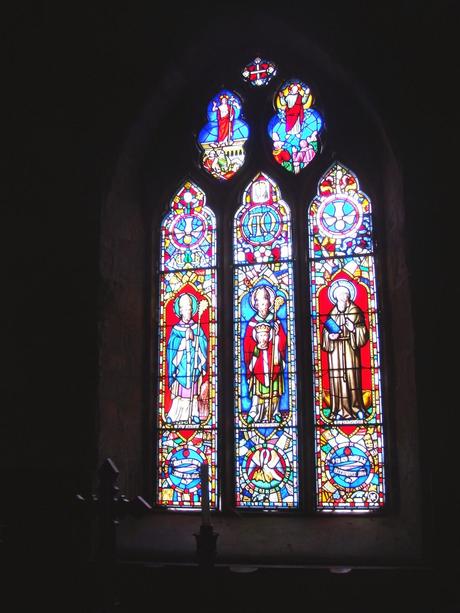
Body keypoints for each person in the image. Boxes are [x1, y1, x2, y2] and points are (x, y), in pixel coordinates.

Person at [321, 280, 368, 420]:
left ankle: (356, 407)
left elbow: (363, 332)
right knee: (337, 380)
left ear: (349, 297)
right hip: (335, 351)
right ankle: (338, 410)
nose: (342, 299)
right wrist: (330, 336)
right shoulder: (332, 313)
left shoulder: (356, 311)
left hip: (349, 349)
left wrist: (354, 329)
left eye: (344, 296)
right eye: (339, 297)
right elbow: (325, 332)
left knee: (351, 378)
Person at [243, 286, 286, 423]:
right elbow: (247, 343)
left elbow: (283, 340)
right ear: (255, 305)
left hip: (273, 359)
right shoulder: (251, 322)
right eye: (260, 303)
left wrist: (277, 334)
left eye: (265, 302)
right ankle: (254, 411)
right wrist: (257, 346)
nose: (263, 306)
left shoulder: (275, 320)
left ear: (270, 303)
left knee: (274, 389)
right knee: (257, 391)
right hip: (258, 362)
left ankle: (275, 411)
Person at [166, 293, 208, 424]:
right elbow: (171, 346)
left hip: (194, 367)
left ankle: (194, 413)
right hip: (181, 368)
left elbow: (204, 342)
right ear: (180, 311)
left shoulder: (197, 327)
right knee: (179, 394)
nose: (187, 311)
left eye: (189, 308)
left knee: (193, 394)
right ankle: (173, 415)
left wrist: (195, 338)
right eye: (184, 309)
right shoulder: (176, 329)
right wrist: (184, 340)